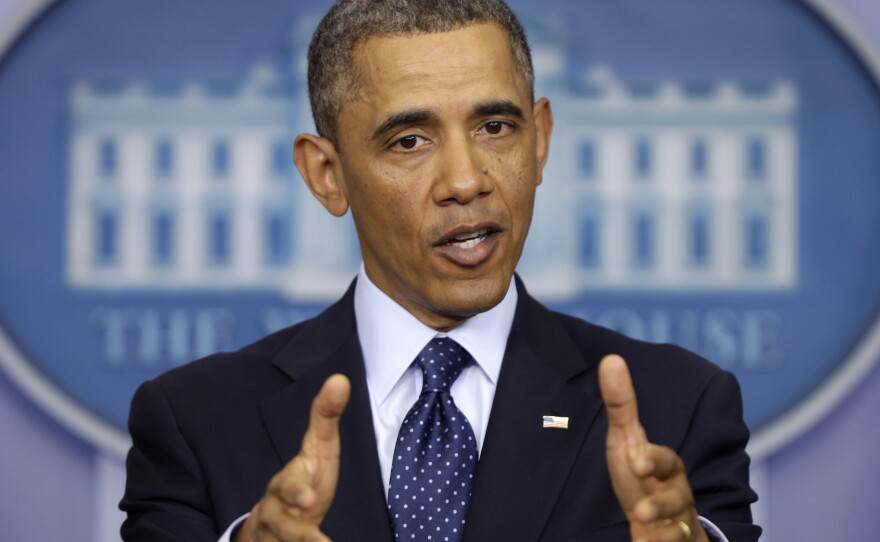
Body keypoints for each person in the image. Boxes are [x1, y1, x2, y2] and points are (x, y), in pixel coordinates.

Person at [120, 1, 760, 541]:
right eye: (409, 141)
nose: (465, 181)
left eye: (495, 126)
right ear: (327, 175)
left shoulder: (678, 408)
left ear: (539, 140)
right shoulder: (195, 420)